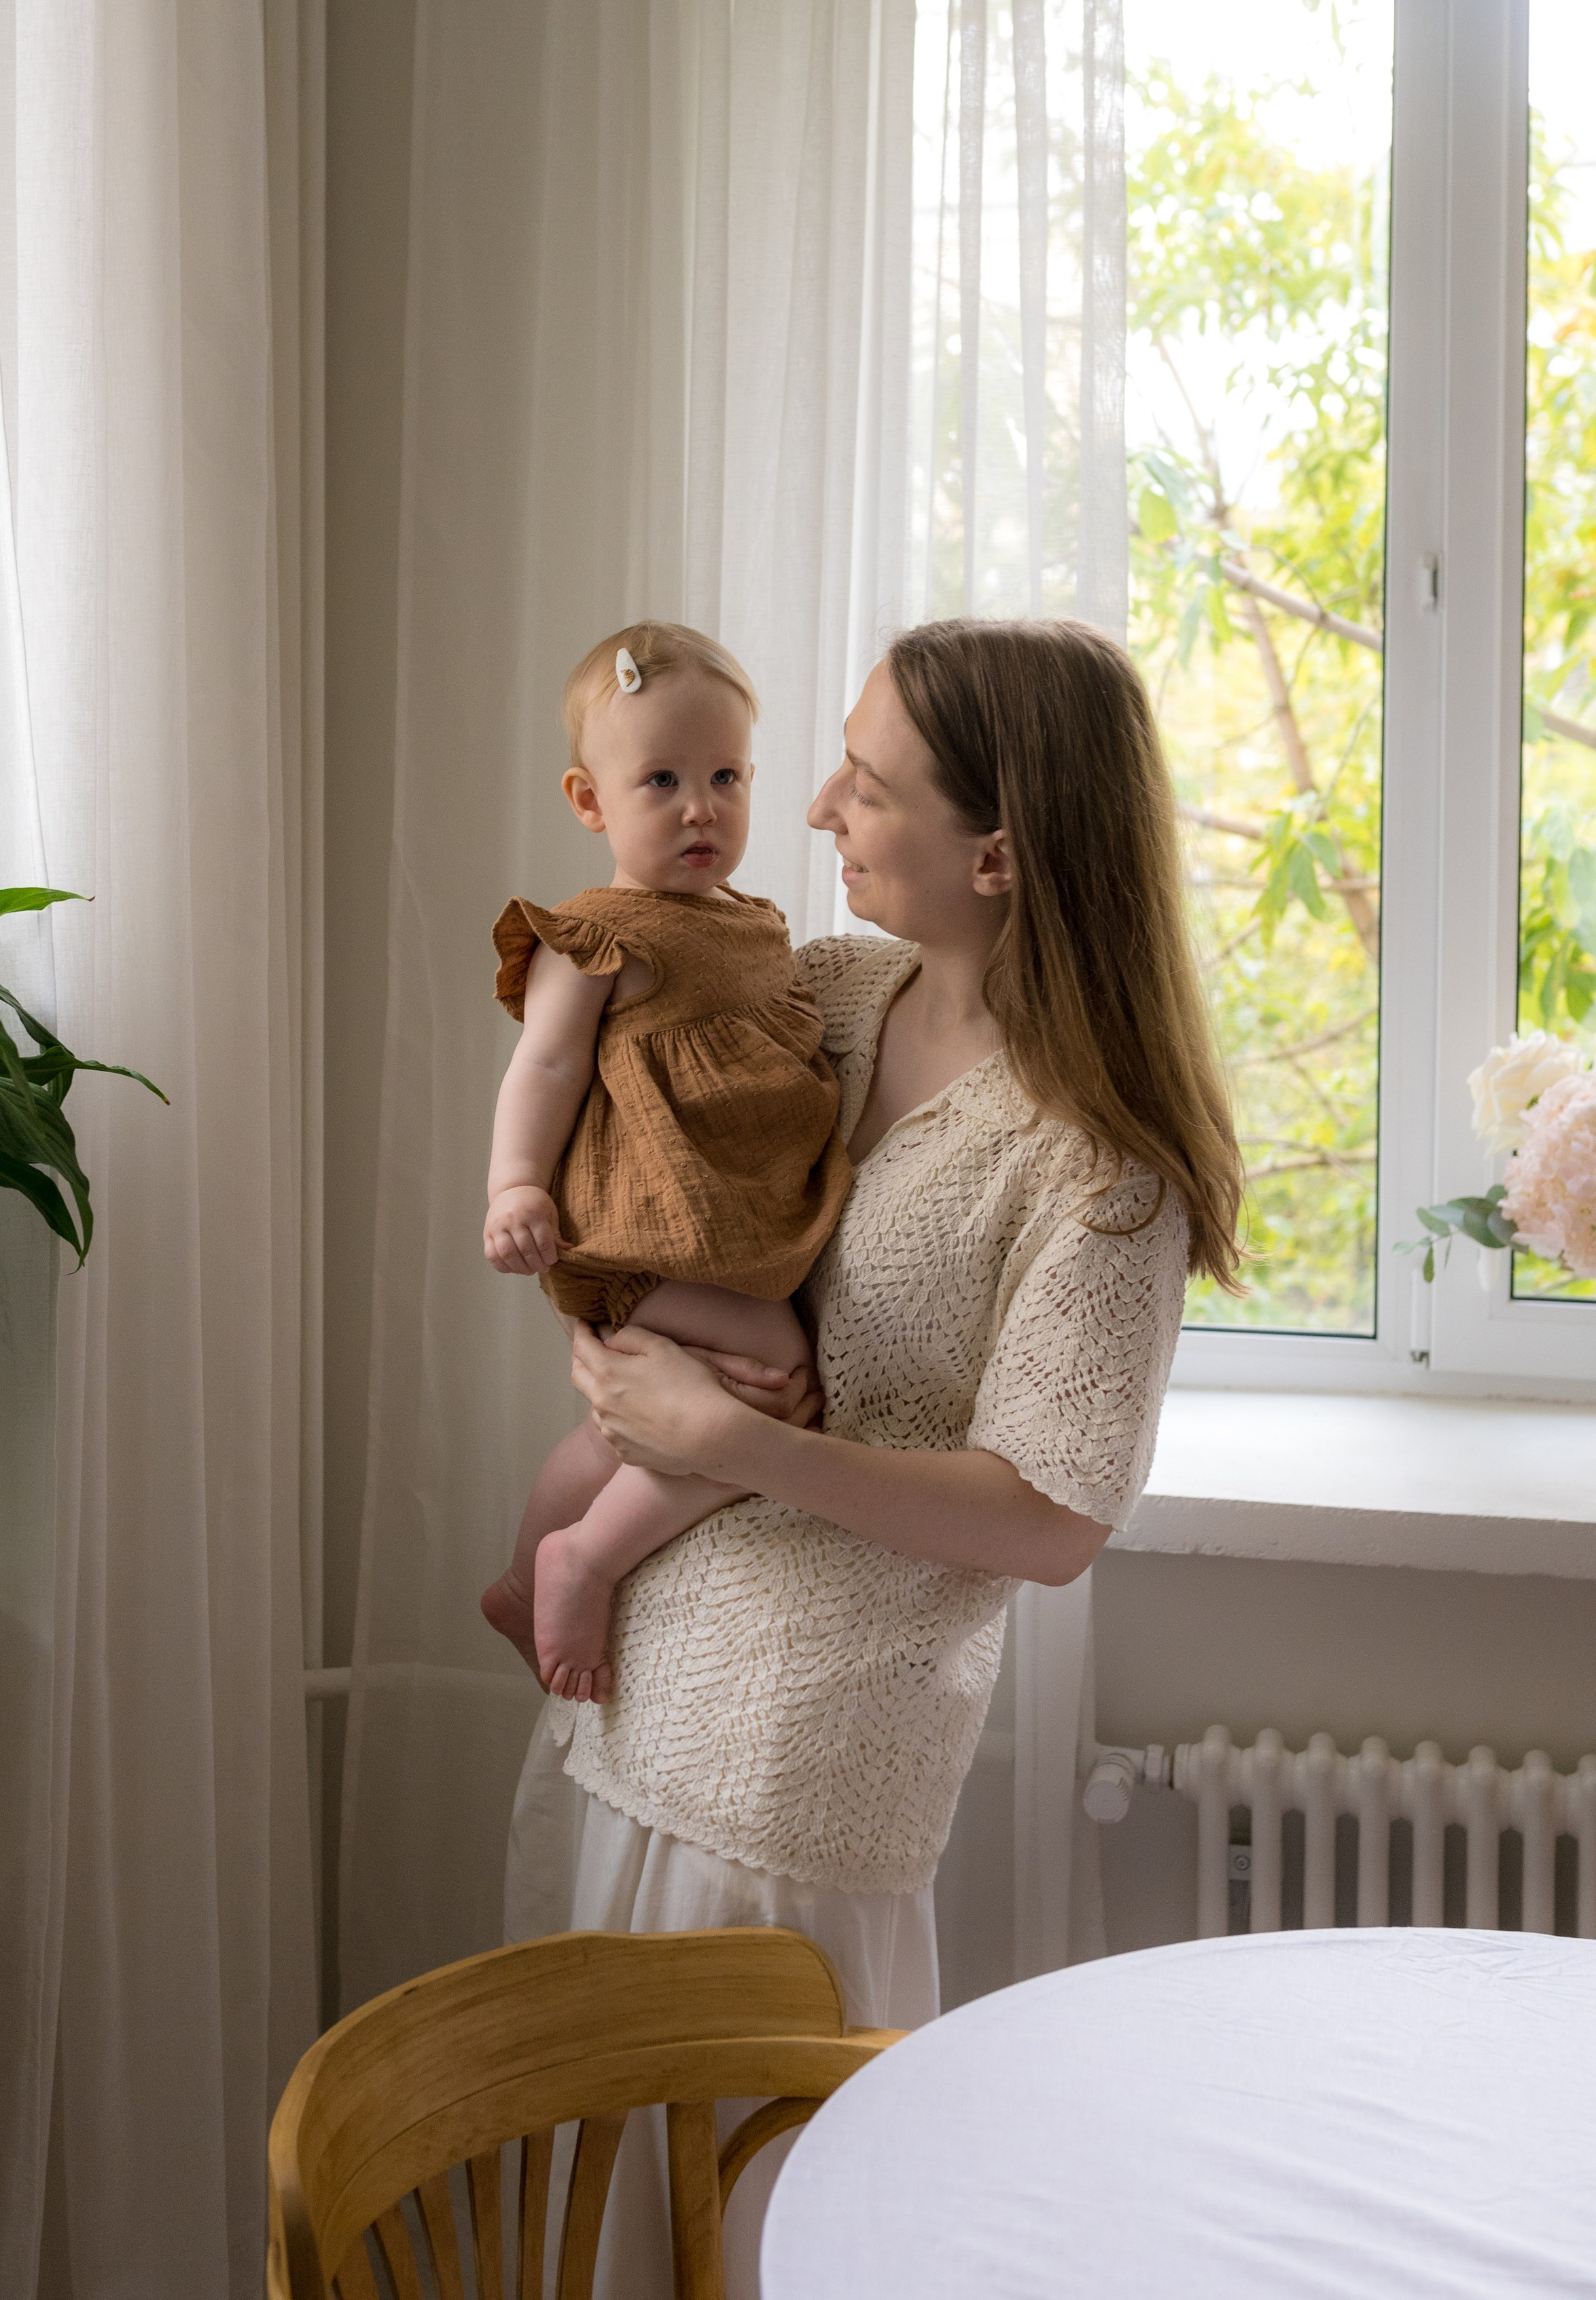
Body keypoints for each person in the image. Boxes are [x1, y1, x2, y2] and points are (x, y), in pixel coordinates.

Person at [503, 614, 1243, 2296]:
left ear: (997, 853)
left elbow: (1049, 1518)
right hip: (628, 1680)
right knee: (590, 2207)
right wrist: (603, 1334)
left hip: (803, 1765)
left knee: (745, 2223)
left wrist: (713, 1438)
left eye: (868, 778)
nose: (818, 803)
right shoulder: (823, 996)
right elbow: (617, 1159)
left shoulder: (1096, 1165)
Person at [481, 621, 851, 1700]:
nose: (702, 807)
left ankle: (517, 1579)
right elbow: (544, 1069)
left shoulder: (754, 924)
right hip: (658, 1227)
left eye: (726, 775)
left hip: (734, 1225)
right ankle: (581, 1558)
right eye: (661, 780)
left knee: (625, 1434)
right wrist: (514, 1185)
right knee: (778, 1390)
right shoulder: (597, 934)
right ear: (590, 801)